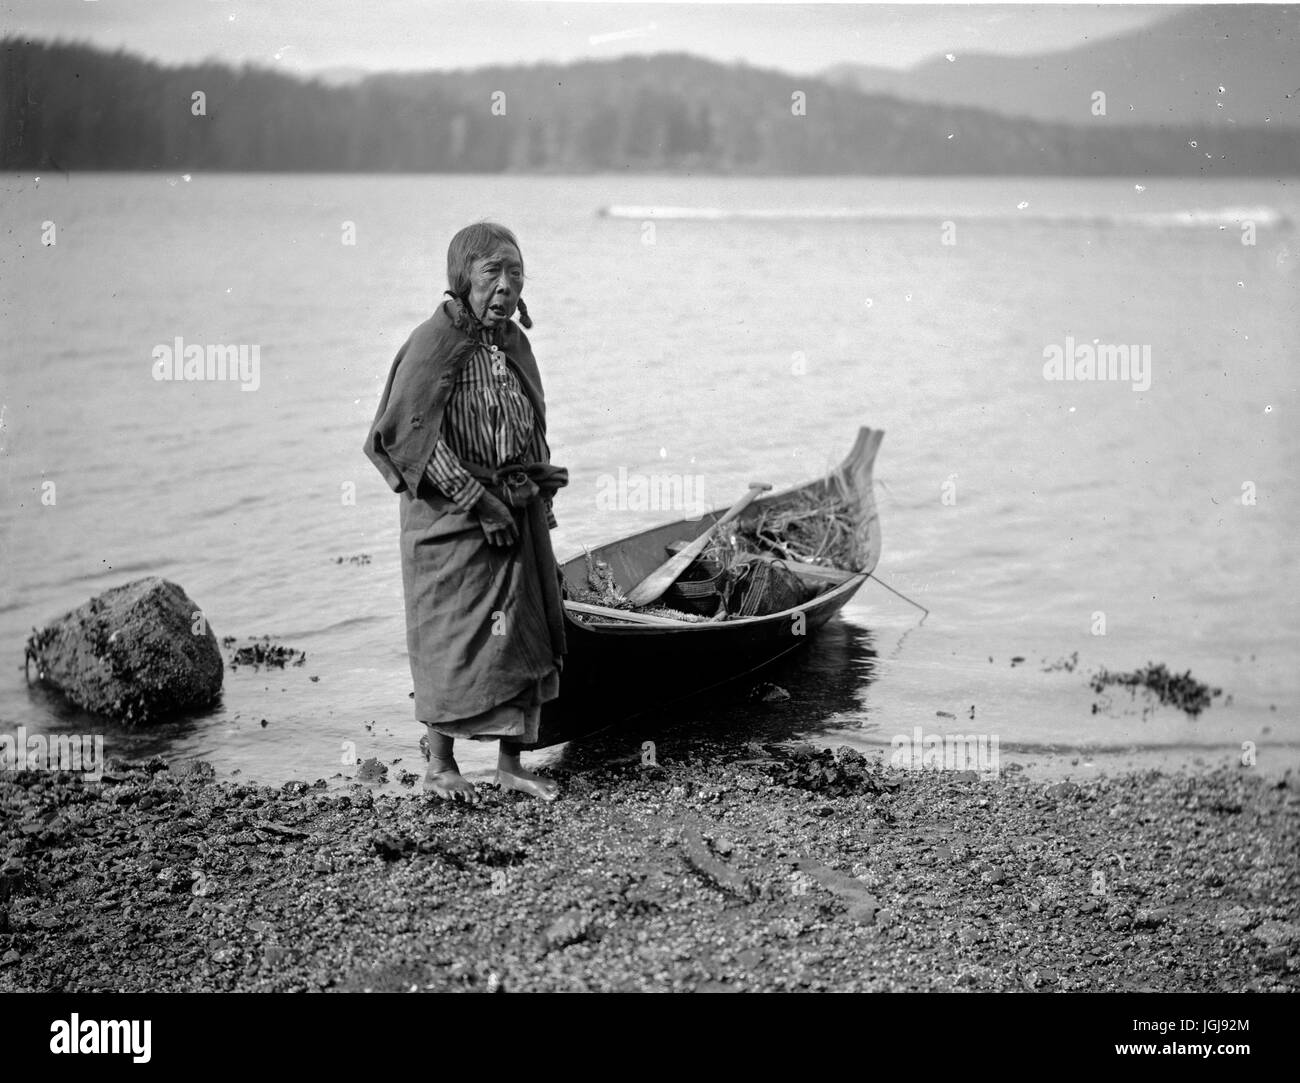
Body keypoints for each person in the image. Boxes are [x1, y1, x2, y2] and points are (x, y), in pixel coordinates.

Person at [364, 222, 567, 803]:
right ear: (462, 279)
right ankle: (441, 764)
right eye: (491, 273)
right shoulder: (433, 343)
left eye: (515, 274)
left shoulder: (513, 344)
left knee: (522, 632)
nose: (505, 286)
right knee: (451, 638)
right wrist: (480, 503)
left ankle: (511, 764)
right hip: (450, 520)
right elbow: (408, 436)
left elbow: (531, 426)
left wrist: (537, 507)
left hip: (514, 510)